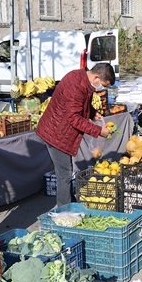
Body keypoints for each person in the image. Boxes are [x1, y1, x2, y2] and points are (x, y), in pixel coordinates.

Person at [35, 63, 114, 207]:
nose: (101, 88)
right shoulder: (75, 85)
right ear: (97, 77)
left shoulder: (83, 80)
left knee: (66, 171)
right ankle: (65, 212)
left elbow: (79, 104)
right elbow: (74, 118)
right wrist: (99, 131)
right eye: (103, 84)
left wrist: (91, 112)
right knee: (64, 174)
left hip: (61, 131)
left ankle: (68, 203)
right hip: (56, 133)